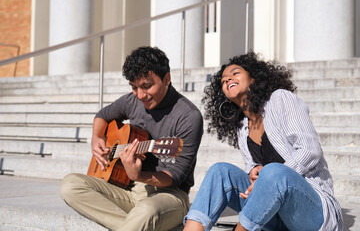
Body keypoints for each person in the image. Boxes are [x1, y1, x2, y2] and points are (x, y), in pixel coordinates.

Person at [183, 52, 343, 231]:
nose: (227, 80)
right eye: (223, 80)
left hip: (310, 211)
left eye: (235, 74)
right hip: (273, 213)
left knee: (274, 172)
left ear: (254, 79)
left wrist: (267, 175)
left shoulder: (280, 99)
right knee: (220, 171)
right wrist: (255, 173)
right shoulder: (243, 127)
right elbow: (254, 171)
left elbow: (310, 150)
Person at [60, 46, 203, 231]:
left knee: (146, 210)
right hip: (128, 189)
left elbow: (175, 176)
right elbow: (102, 115)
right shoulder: (133, 101)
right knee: (70, 185)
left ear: (166, 78)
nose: (140, 95)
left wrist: (138, 175)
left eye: (146, 86)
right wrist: (96, 138)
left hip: (169, 196)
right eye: (134, 87)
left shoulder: (188, 116)